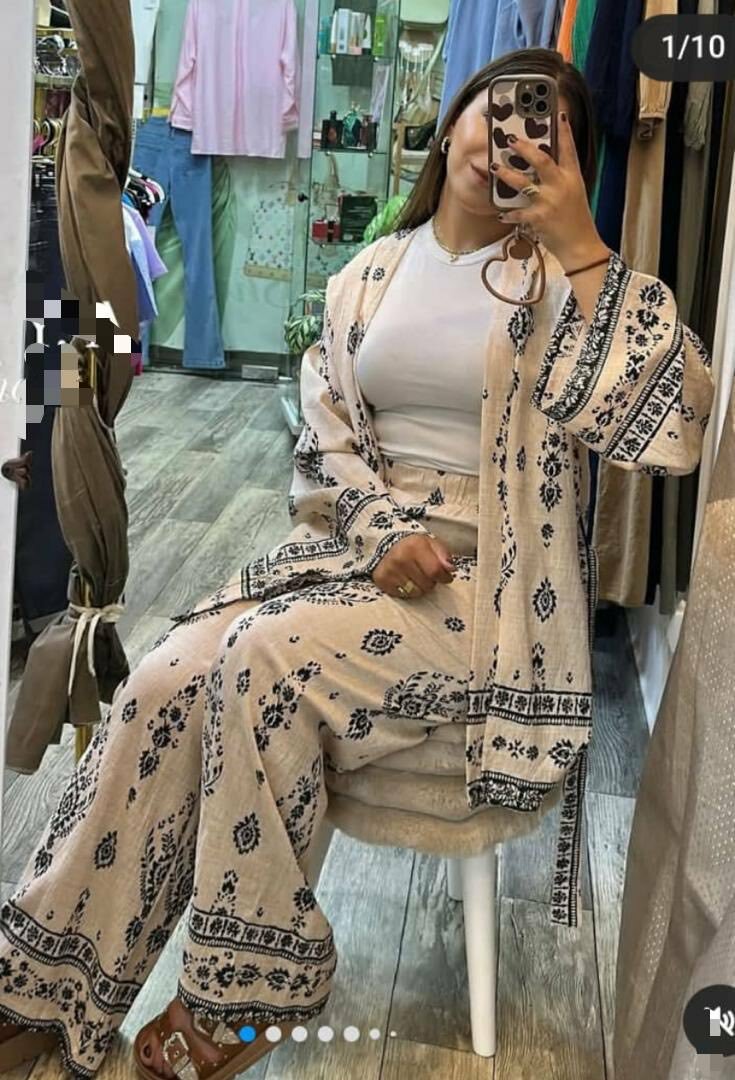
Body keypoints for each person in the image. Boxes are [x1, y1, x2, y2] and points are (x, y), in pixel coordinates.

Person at [0, 47, 713, 1080]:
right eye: (497, 111)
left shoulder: (569, 287)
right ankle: (41, 987)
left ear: (568, 161)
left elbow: (677, 428)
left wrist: (584, 248)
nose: (509, 139)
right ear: (453, 120)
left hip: (491, 593)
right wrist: (379, 531)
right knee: (159, 681)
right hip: (349, 554)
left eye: (543, 128)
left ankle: (249, 990)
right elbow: (323, 436)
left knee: (262, 658)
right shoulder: (371, 272)